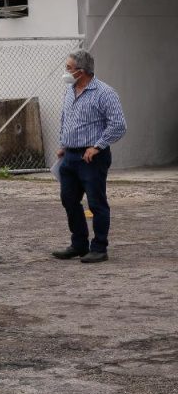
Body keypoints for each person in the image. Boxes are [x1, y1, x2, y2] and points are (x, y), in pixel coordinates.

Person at [51, 50, 126, 264]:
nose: (65, 72)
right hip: (70, 157)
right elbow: (66, 119)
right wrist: (63, 145)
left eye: (68, 68)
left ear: (81, 72)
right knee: (69, 199)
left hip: (92, 157)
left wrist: (98, 146)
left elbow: (118, 125)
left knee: (96, 202)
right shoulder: (69, 89)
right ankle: (79, 244)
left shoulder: (104, 92)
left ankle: (99, 247)